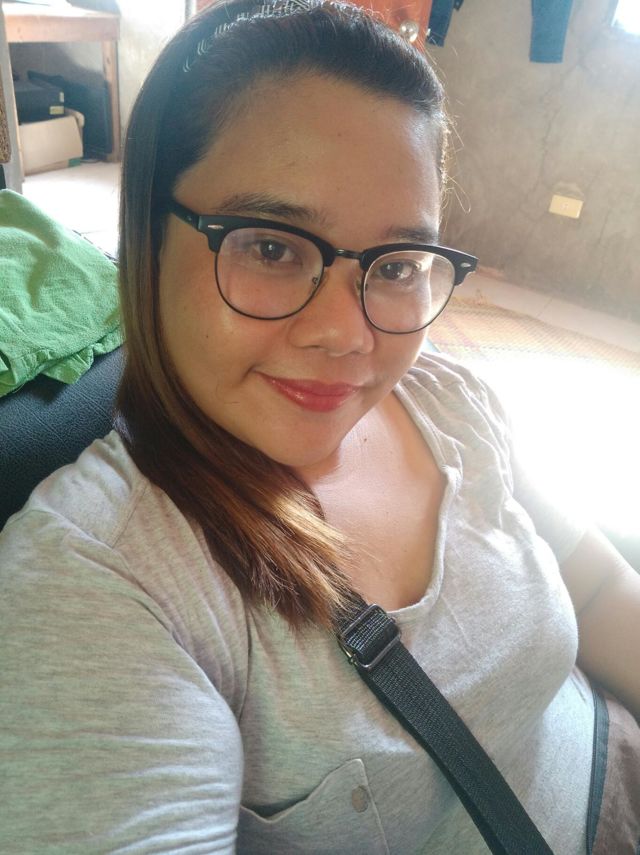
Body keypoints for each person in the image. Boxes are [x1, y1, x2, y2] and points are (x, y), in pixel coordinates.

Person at [1, 1, 639, 852]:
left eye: (397, 264)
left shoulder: (448, 399)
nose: (347, 335)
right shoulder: (96, 582)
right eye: (272, 246)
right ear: (146, 238)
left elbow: (594, 585)